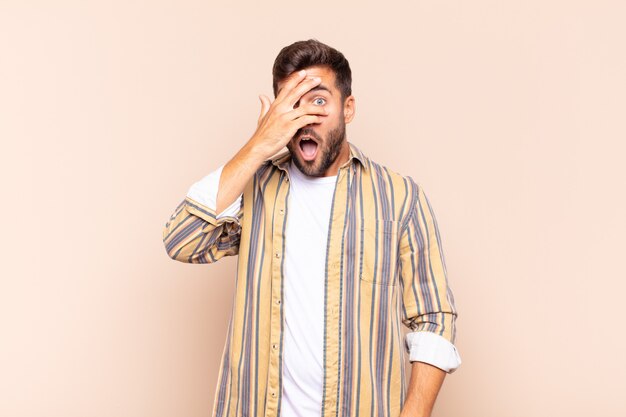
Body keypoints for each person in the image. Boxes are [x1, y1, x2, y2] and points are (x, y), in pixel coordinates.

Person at [162, 39, 461, 417]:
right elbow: (181, 240)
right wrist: (257, 145)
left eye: (318, 100)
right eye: (291, 103)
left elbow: (435, 318)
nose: (305, 117)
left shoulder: (399, 198)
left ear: (348, 108)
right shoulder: (254, 190)